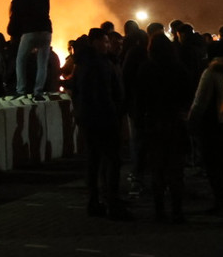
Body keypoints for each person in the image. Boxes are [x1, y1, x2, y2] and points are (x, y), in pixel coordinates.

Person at [70, 29, 129, 219]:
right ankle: (112, 202)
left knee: (94, 162)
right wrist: (113, 115)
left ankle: (95, 201)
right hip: (103, 119)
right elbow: (103, 94)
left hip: (89, 119)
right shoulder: (98, 64)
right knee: (111, 161)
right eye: (104, 42)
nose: (108, 45)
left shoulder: (84, 62)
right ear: (94, 42)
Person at [135, 33, 191, 222]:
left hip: (153, 122)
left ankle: (159, 210)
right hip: (174, 122)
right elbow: (187, 95)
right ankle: (178, 210)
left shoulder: (146, 68)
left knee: (157, 169)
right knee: (176, 170)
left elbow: (139, 97)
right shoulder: (179, 68)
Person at [189, 36, 223, 215]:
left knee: (214, 166)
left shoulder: (211, 72)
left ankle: (220, 202)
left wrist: (192, 122)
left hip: (215, 126)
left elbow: (200, 102)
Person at [8, 0, 53, 100]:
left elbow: (15, 16)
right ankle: (38, 92)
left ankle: (21, 90)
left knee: (21, 60)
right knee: (42, 62)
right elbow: (46, 11)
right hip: (46, 30)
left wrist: (13, 31)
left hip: (29, 31)